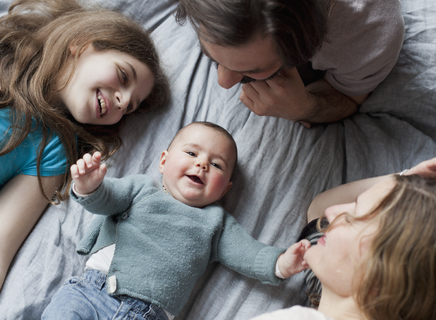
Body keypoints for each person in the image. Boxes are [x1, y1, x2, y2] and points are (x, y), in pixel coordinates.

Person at [0, 0, 169, 318]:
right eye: (123, 76)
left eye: (130, 106)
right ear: (81, 44)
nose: (123, 100)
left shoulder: (51, 151)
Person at [42, 122, 312, 320]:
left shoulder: (216, 223)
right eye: (192, 153)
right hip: (90, 292)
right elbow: (107, 199)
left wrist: (281, 264)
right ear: (163, 161)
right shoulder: (141, 188)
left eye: (216, 165)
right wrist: (89, 187)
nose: (202, 165)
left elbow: (250, 254)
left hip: (147, 314)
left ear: (226, 189)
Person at [251, 155, 436, 320]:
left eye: (352, 217)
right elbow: (317, 209)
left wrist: (399, 183)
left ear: (383, 275)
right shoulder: (341, 283)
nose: (331, 213)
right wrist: (404, 183)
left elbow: (319, 210)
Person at [175, 0, 405, 127]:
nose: (223, 83)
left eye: (254, 70)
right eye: (211, 54)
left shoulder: (369, 34)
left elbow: (349, 98)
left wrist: (305, 108)